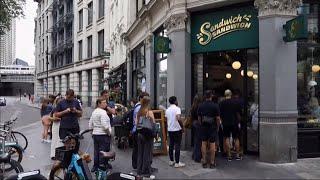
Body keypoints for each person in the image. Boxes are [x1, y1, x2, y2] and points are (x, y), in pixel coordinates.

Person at [198, 90, 221, 168]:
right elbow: (218, 118)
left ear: (205, 96)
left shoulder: (201, 105)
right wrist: (217, 126)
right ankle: (212, 162)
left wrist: (201, 124)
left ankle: (204, 161)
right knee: (212, 144)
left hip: (204, 126)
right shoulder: (215, 106)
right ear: (211, 96)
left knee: (203, 143)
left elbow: (199, 118)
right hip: (212, 127)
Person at [89, 97, 112, 173]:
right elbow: (105, 125)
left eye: (106, 102)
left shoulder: (94, 112)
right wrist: (109, 133)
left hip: (96, 134)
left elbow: (90, 124)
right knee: (103, 151)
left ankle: (95, 166)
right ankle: (101, 167)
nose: (105, 104)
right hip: (103, 134)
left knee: (96, 151)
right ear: (99, 104)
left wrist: (92, 132)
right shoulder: (103, 112)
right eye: (104, 102)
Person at [219, 89, 242, 161]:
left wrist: (221, 121)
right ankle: (237, 155)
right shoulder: (235, 102)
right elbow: (239, 113)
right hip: (234, 122)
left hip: (225, 123)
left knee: (227, 138)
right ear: (231, 94)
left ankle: (229, 155)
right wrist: (239, 121)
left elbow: (220, 114)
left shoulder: (221, 103)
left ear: (225, 95)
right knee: (236, 138)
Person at [136, 96, 155, 177]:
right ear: (148, 103)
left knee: (140, 153)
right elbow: (153, 123)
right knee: (147, 153)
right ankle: (145, 170)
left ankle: (139, 170)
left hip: (140, 134)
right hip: (147, 135)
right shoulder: (149, 112)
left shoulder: (139, 112)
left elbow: (136, 124)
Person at [166, 96, 185, 168]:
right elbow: (178, 118)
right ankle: (177, 162)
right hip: (177, 129)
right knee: (177, 145)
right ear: (175, 101)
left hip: (170, 129)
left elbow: (167, 119)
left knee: (171, 144)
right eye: (176, 100)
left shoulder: (167, 110)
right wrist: (182, 127)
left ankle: (171, 161)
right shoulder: (177, 109)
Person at [131, 92, 149, 170]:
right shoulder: (140, 108)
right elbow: (139, 121)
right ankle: (138, 166)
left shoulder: (138, 106)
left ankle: (136, 165)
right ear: (141, 99)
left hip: (136, 130)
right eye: (146, 99)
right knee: (139, 150)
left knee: (137, 149)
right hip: (139, 130)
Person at [191, 95, 202, 163]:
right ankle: (197, 157)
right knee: (198, 141)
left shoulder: (193, 106)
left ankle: (194, 155)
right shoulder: (199, 107)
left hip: (193, 123)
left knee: (196, 140)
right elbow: (199, 117)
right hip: (198, 124)